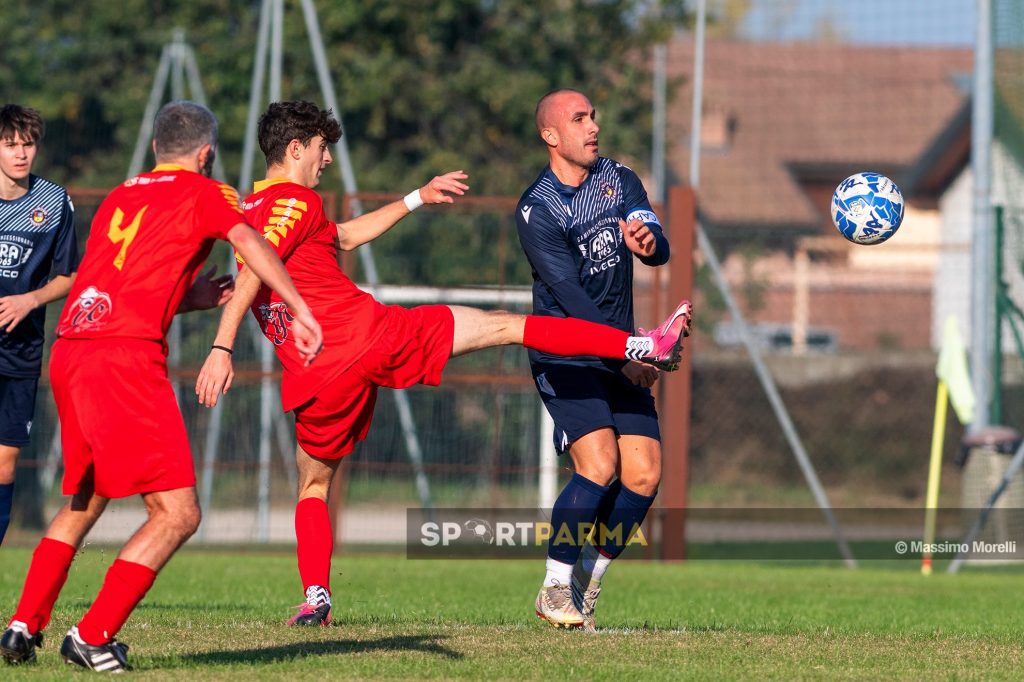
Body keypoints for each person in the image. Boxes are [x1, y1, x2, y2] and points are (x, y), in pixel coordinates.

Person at [194, 100, 690, 627]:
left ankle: (317, 595)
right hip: (363, 334)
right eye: (321, 149)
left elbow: (340, 238)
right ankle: (635, 347)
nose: (327, 161)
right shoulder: (293, 202)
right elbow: (256, 264)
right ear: (295, 149)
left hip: (313, 374)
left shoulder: (257, 208)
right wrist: (221, 348)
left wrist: (416, 197)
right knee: (508, 326)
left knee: (313, 486)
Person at [0, 101, 322, 672]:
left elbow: (111, 280)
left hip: (71, 350)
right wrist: (297, 305)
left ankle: (23, 624)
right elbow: (249, 243)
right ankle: (93, 635)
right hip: (122, 359)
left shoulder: (121, 195)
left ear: (154, 149)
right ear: (206, 153)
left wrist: (187, 297)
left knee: (87, 495)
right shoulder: (209, 192)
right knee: (178, 512)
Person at [515, 88, 691, 631]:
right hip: (565, 353)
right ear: (551, 135)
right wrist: (629, 354)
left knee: (643, 476)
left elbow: (659, 245)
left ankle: (585, 583)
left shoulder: (618, 178)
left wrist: (648, 239)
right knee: (599, 466)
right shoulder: (536, 208)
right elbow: (570, 298)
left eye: (593, 116)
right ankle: (551, 588)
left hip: (620, 351)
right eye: (579, 118)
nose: (593, 125)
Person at [0, 105, 79, 546]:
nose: (20, 153)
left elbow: (70, 276)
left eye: (27, 144)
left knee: (5, 465)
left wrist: (30, 299)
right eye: (10, 145)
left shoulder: (53, 203)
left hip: (21, 351)